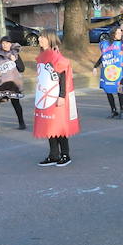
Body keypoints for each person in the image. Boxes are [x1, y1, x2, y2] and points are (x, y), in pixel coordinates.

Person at [34, 29, 80, 167]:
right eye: (40, 37)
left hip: (56, 97)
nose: (39, 39)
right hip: (45, 97)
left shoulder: (56, 56)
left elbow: (63, 76)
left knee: (59, 126)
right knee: (49, 125)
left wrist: (62, 96)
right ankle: (53, 155)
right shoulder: (43, 55)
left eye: (42, 37)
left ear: (50, 39)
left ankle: (65, 154)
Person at [93, 26, 123, 118]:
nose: (120, 34)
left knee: (119, 91)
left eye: (121, 33)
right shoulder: (107, 44)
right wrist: (95, 66)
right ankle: (113, 110)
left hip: (119, 72)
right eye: (118, 33)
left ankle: (122, 111)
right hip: (108, 72)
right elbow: (103, 56)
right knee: (108, 90)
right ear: (113, 34)